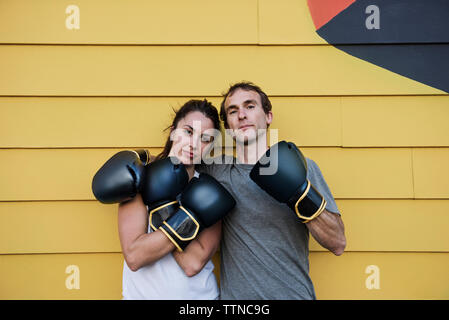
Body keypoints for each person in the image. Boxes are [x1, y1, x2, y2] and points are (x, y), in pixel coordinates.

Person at [197, 82, 346, 300]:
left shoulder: (302, 166)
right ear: (228, 128)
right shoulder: (216, 171)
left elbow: (338, 243)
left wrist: (299, 193)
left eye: (250, 106)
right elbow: (176, 164)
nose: (241, 115)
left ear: (268, 116)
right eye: (233, 110)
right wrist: (139, 162)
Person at [92, 99, 233, 300]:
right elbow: (135, 256)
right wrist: (185, 216)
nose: (193, 144)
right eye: (188, 131)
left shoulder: (209, 190)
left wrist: (163, 207)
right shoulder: (140, 179)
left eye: (205, 138)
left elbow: (192, 263)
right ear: (174, 131)